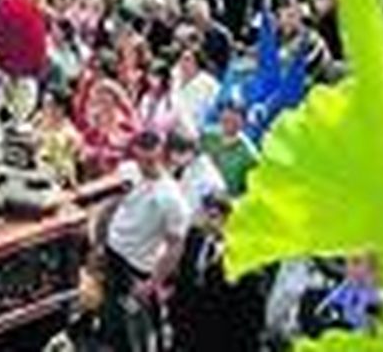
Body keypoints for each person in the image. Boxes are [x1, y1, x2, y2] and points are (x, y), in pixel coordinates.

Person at [102, 130, 191, 352]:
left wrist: (152, 283)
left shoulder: (172, 199)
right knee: (112, 322)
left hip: (137, 269)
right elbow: (111, 204)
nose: (144, 166)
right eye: (140, 159)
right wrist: (98, 241)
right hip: (113, 255)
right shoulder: (128, 171)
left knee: (139, 335)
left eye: (150, 160)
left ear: (161, 155)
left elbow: (175, 246)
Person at [169, 194, 265, 351]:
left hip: (224, 338)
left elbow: (249, 316)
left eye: (214, 216)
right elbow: (184, 281)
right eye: (205, 214)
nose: (207, 221)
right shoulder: (195, 240)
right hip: (189, 334)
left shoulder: (245, 260)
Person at [202, 101, 261, 197]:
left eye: (235, 119)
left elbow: (249, 190)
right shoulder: (207, 135)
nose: (229, 122)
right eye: (226, 118)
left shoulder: (250, 156)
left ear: (243, 123)